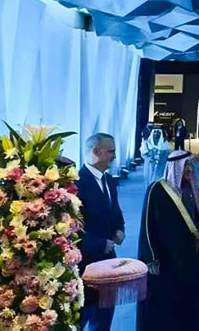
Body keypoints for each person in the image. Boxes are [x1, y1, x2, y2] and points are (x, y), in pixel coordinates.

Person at [138, 151, 199, 331]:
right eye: (185, 166)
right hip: (167, 260)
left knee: (192, 303)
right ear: (175, 168)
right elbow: (148, 225)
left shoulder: (192, 189)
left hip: (191, 258)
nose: (189, 169)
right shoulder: (157, 190)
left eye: (191, 165)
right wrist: (151, 258)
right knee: (168, 305)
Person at [77, 133, 125, 331]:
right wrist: (100, 244)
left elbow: (116, 212)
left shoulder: (109, 180)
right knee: (82, 319)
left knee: (104, 319)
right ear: (96, 152)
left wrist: (120, 229)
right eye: (110, 151)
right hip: (85, 265)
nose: (114, 156)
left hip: (107, 264)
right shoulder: (77, 184)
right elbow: (73, 229)